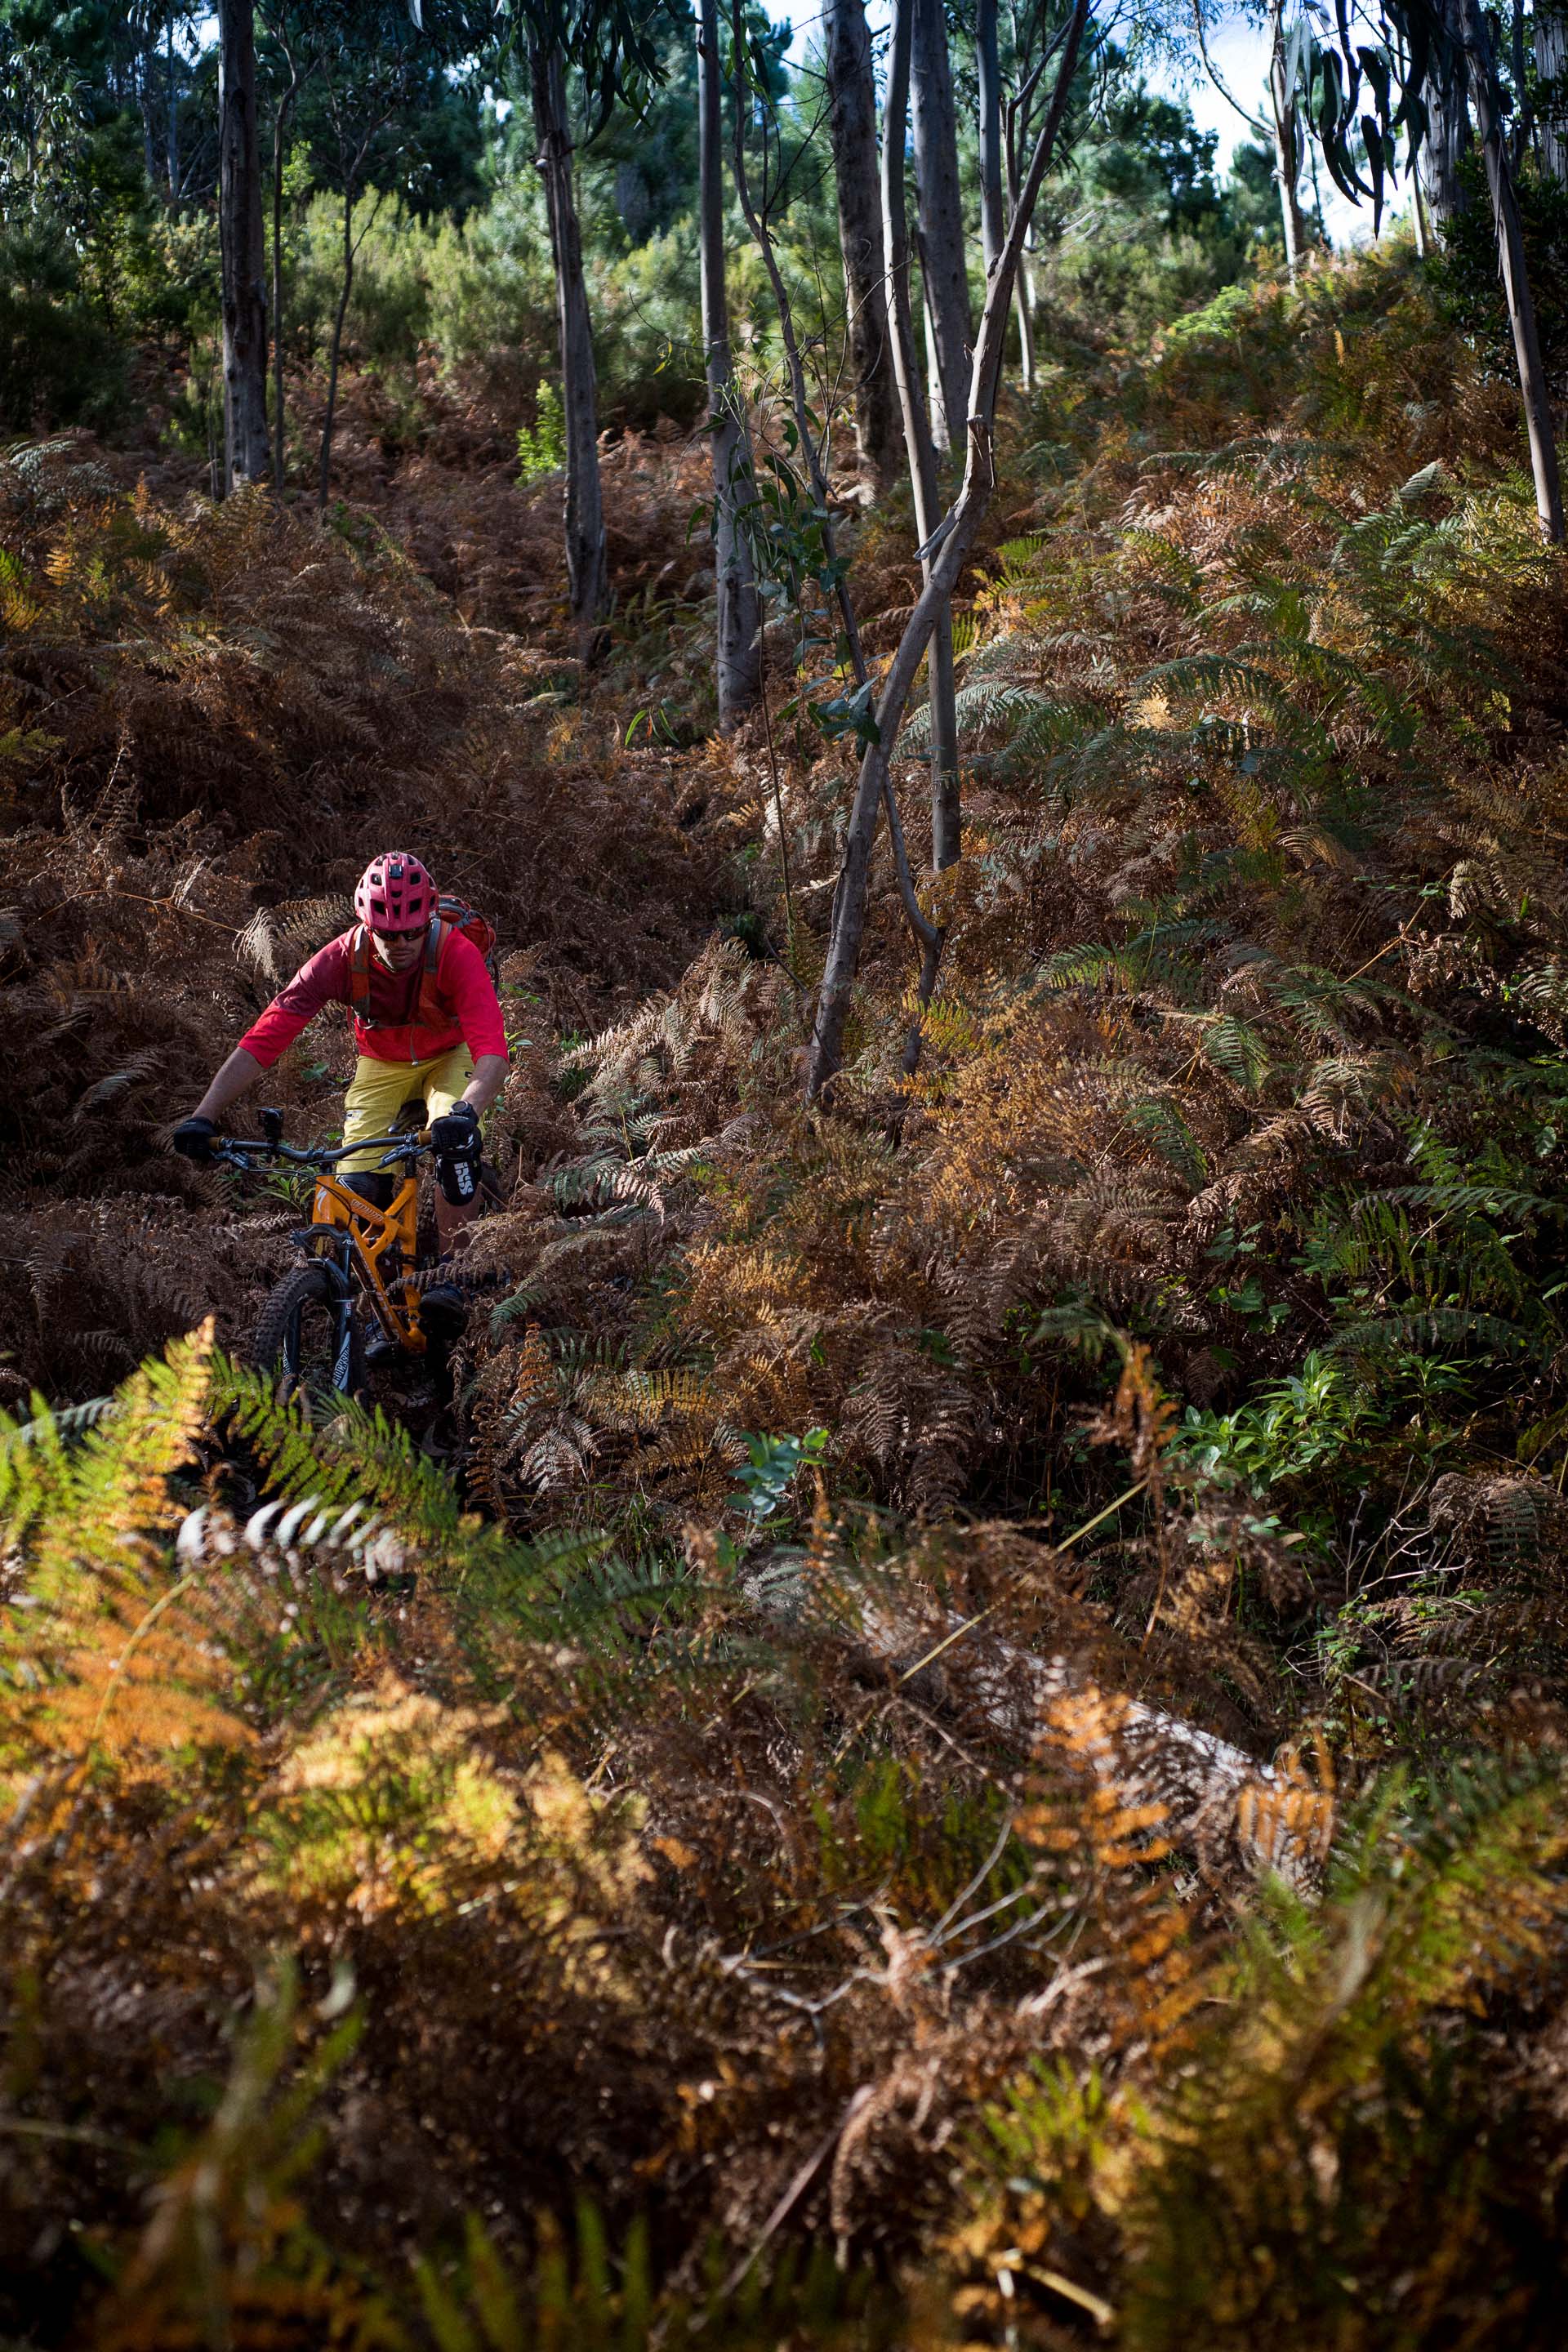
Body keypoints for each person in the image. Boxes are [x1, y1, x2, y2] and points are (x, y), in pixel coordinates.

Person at [172, 852, 509, 1261]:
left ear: (428, 921)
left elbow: (491, 1052)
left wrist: (466, 1113)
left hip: (450, 1055)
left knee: (455, 1148)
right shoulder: (339, 959)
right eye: (388, 934)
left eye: (413, 932)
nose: (401, 944)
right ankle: (371, 1283)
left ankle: (456, 1273)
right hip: (382, 1063)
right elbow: (265, 1038)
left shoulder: (456, 953)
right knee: (356, 1183)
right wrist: (204, 1115)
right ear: (368, 926)